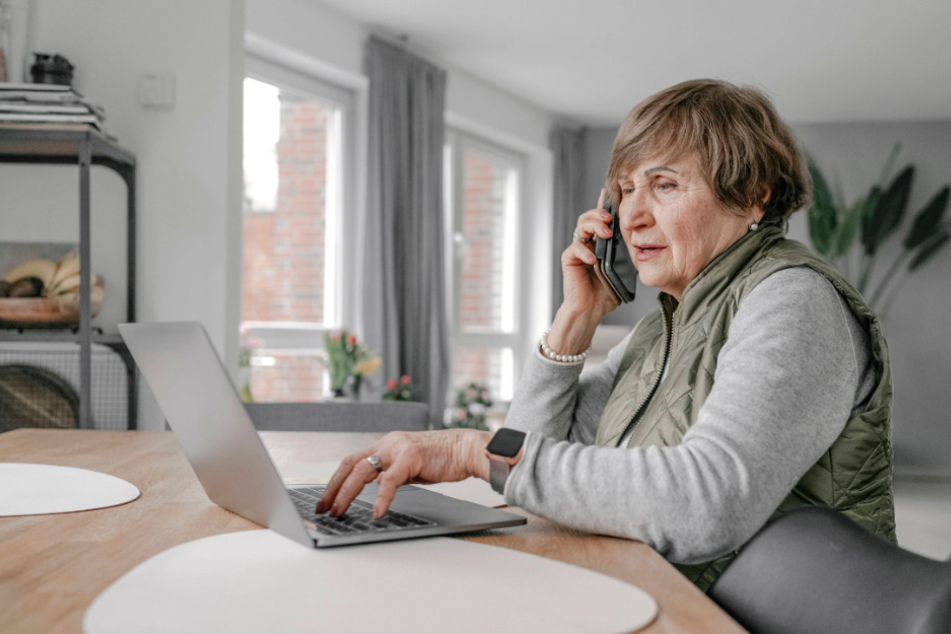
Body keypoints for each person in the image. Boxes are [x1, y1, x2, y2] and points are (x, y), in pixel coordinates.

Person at [317, 79, 895, 591]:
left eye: (664, 185)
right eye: (625, 189)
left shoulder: (792, 300)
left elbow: (706, 504)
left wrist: (470, 449)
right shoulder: (662, 325)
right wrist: (578, 317)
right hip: (661, 589)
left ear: (752, 195)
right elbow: (536, 462)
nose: (632, 215)